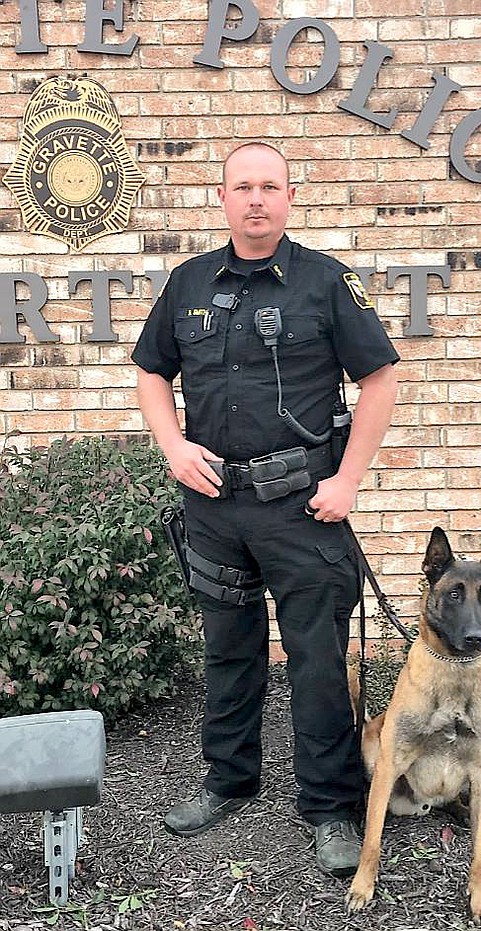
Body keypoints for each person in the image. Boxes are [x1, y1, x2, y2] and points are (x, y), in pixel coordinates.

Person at [132, 142, 399, 878]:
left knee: (316, 660)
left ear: (289, 198)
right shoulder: (187, 283)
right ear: (222, 197)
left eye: (269, 186)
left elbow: (380, 379)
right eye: (242, 186)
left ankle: (330, 806)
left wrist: (347, 479)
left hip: (302, 508)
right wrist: (173, 446)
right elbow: (151, 370)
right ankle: (228, 779)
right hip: (214, 504)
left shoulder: (327, 283)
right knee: (228, 649)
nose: (256, 198)